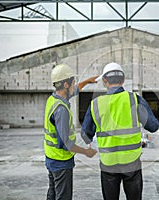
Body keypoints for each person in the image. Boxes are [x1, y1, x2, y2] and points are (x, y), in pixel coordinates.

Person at [81, 62, 159, 200]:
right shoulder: (134, 100)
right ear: (123, 80)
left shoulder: (96, 104)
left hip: (108, 163)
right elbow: (153, 126)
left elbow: (85, 133)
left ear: (104, 81)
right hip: (131, 162)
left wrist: (91, 141)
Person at [44, 63, 97, 200]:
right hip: (61, 161)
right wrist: (86, 152)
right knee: (63, 196)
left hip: (51, 158)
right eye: (73, 82)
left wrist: (88, 81)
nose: (75, 84)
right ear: (66, 85)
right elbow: (66, 143)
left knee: (53, 193)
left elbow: (76, 90)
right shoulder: (61, 110)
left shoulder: (53, 98)